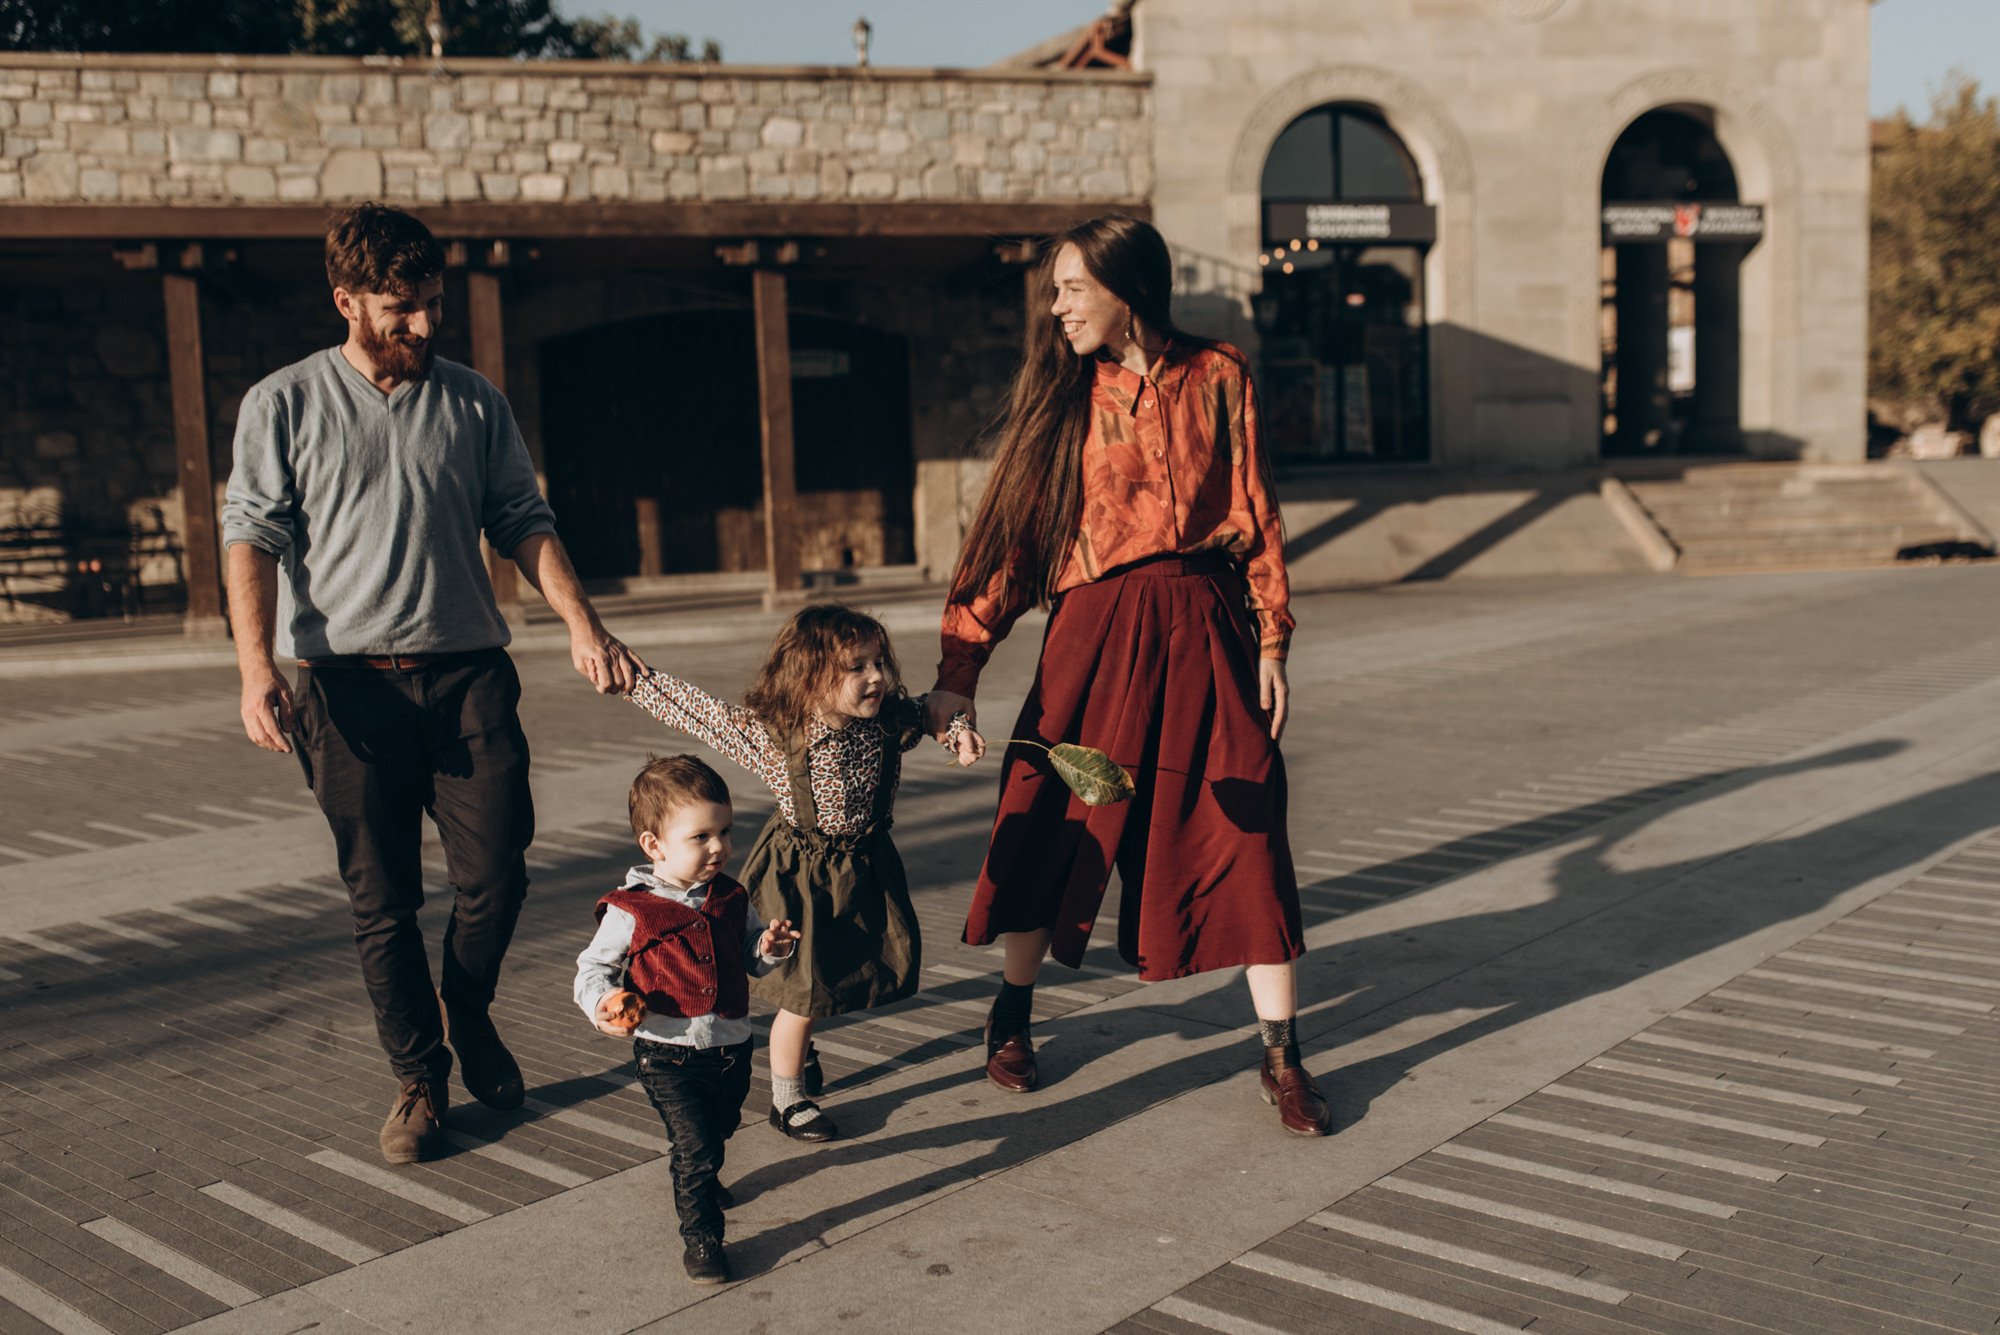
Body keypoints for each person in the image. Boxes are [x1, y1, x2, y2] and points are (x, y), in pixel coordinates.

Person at [222, 202, 646, 1164]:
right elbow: (249, 536)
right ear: (347, 302)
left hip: (467, 678)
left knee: (496, 872)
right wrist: (255, 670)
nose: (421, 325)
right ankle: (420, 1077)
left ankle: (468, 1006)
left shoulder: (472, 400)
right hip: (343, 691)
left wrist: (583, 624)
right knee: (382, 901)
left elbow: (522, 517)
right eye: (400, 308)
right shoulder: (281, 404)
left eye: (431, 305)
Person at [924, 214, 1329, 1136]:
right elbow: (1010, 546)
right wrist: (960, 666)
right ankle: (1012, 1015)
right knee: (1055, 818)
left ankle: (1283, 1056)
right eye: (1054, 290)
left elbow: (1257, 510)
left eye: (1071, 287)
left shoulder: (1219, 374)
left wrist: (1272, 640)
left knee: (1250, 830)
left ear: (1128, 288)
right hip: (1095, 637)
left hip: (1210, 625)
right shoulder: (1066, 399)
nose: (1056, 306)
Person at [625, 605, 965, 1143]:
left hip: (865, 868)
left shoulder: (889, 721)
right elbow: (703, 714)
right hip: (800, 875)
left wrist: (959, 731)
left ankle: (800, 1050)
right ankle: (787, 1100)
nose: (876, 676)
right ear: (809, 678)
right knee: (801, 996)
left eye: (878, 662)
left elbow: (933, 712)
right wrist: (633, 680)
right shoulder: (781, 737)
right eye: (857, 667)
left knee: (829, 976)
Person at [575, 755, 800, 1284]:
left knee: (719, 1130)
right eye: (701, 836)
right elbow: (593, 969)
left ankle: (705, 1170)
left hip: (732, 1045)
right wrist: (605, 1006)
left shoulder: (731, 894)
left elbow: (748, 953)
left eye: (724, 831)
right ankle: (702, 1238)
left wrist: (769, 946)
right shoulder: (631, 908)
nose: (719, 847)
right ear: (655, 846)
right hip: (666, 1052)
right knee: (693, 1147)